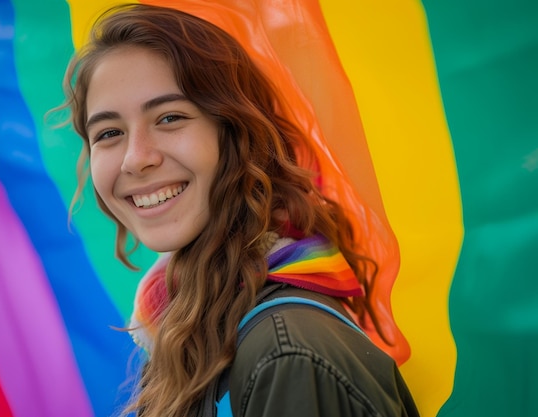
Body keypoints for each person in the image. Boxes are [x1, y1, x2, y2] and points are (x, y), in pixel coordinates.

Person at [62, 4, 419, 417]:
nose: (134, 159)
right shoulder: (185, 324)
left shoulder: (288, 356)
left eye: (170, 117)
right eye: (109, 133)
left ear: (236, 135)